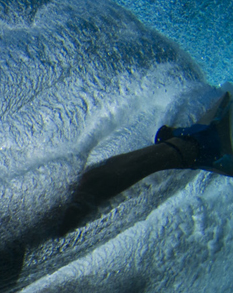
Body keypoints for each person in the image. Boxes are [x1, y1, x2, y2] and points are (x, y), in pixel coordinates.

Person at [57, 91, 232, 235]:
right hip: (199, 147)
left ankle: (76, 204)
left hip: (196, 146)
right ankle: (75, 204)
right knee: (155, 158)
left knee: (155, 158)